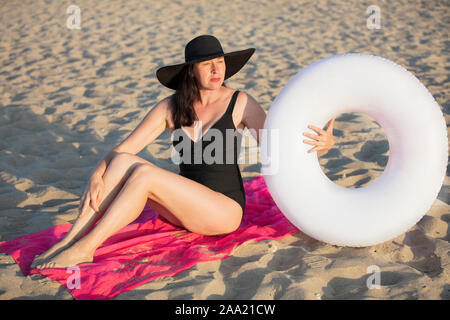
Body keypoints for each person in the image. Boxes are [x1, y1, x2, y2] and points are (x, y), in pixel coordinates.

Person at [31, 35, 335, 269]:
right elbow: (123, 150)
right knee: (125, 162)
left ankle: (88, 247)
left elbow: (277, 148)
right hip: (182, 210)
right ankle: (70, 239)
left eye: (220, 61)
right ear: (191, 71)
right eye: (207, 64)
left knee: (145, 174)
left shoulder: (240, 101)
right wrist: (97, 175)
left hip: (223, 211)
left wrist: (324, 144)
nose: (217, 69)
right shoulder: (170, 107)